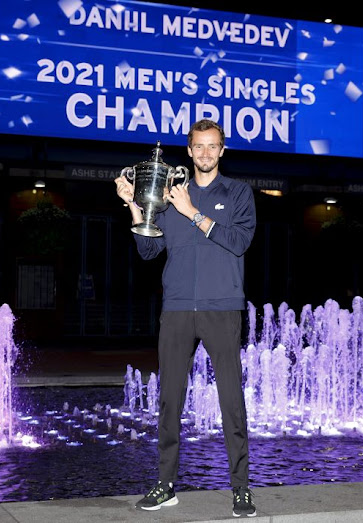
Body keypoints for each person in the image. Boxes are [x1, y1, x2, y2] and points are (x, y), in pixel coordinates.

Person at [114, 119, 257, 517]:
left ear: (222, 151)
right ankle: (165, 485)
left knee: (231, 401)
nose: (206, 153)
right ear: (189, 151)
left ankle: (241, 489)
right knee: (169, 400)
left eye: (213, 147)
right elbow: (147, 252)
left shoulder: (239, 193)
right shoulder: (169, 194)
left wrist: (193, 212)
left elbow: (239, 241)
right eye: (199, 147)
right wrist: (133, 205)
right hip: (176, 308)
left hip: (222, 308)